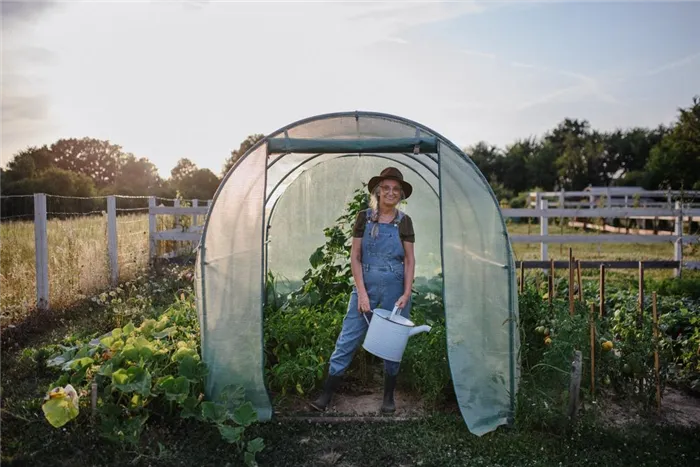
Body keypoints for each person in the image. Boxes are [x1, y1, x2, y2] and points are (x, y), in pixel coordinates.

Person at [310, 167, 416, 414]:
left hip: (395, 289)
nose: (390, 193)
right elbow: (355, 257)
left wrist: (406, 293)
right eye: (386, 188)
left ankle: (388, 397)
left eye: (395, 189)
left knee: (392, 343)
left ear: (400, 195)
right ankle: (327, 394)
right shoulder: (363, 218)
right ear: (378, 192)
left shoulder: (405, 221)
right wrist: (362, 293)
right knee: (348, 338)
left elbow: (410, 260)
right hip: (365, 286)